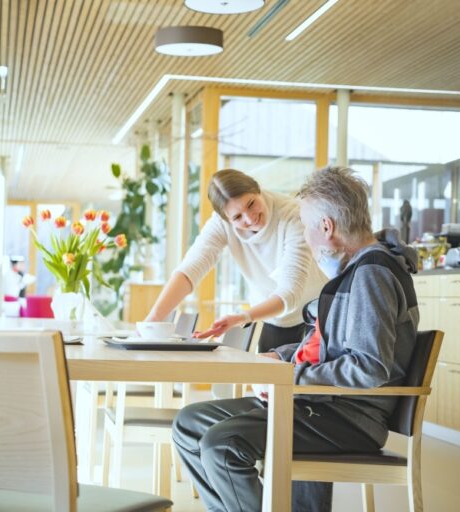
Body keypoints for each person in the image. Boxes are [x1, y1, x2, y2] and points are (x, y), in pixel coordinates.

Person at [172, 166, 420, 512]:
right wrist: (282, 356)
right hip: (323, 403)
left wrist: (289, 376)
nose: (304, 234)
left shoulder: (371, 275)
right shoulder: (356, 270)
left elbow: (369, 367)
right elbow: (333, 343)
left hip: (348, 416)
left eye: (305, 226)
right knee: (188, 424)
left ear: (326, 227)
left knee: (222, 444)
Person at [146, 169, 326, 352]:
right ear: (226, 218)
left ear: (257, 189)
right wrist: (154, 319)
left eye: (251, 204)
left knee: (312, 367)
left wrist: (242, 317)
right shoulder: (222, 223)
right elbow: (190, 270)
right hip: (273, 316)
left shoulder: (293, 215)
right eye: (237, 217)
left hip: (316, 310)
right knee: (271, 368)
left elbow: (290, 292)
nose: (250, 218)